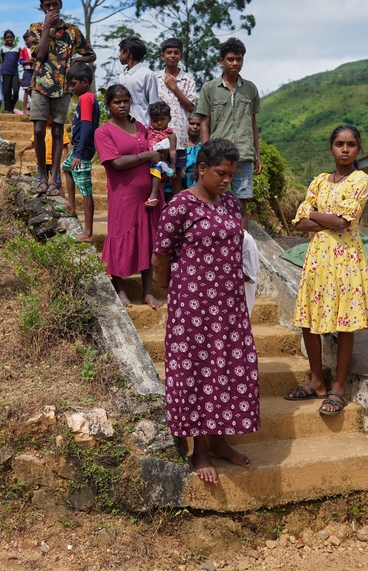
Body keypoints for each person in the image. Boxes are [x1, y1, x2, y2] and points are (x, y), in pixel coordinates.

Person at [152, 138, 259, 484]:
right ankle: (199, 449)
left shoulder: (229, 204)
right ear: (201, 169)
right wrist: (171, 292)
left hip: (228, 306)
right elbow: (161, 255)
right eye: (220, 173)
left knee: (226, 368)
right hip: (193, 307)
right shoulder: (181, 205)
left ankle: (219, 441)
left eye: (230, 174)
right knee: (199, 371)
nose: (226, 180)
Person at [283, 125, 368, 416]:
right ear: (331, 147)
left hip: (346, 259)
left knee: (344, 321)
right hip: (317, 259)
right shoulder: (320, 182)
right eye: (339, 143)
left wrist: (312, 213)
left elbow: (343, 223)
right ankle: (316, 382)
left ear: (358, 148)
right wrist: (323, 218)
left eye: (350, 144)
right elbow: (298, 223)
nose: (345, 149)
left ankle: (338, 387)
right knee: (308, 320)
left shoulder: (361, 180)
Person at [94, 84, 164, 309]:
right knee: (120, 237)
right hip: (123, 195)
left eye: (125, 101)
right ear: (109, 105)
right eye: (117, 102)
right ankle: (121, 290)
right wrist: (147, 155)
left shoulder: (140, 126)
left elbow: (154, 155)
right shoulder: (103, 132)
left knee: (148, 239)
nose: (122, 105)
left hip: (149, 194)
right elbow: (116, 162)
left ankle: (147, 292)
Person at [27, 0, 96, 196]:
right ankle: (42, 174)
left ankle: (55, 179)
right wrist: (47, 27)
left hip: (64, 86)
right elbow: (38, 55)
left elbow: (91, 54)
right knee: (39, 130)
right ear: (42, 8)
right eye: (47, 6)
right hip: (40, 84)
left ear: (61, 5)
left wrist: (78, 59)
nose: (51, 8)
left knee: (58, 131)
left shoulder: (73, 32)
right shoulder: (35, 29)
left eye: (54, 5)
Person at [196, 37, 262, 230]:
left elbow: (253, 122)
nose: (235, 63)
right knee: (215, 197)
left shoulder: (250, 89)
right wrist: (206, 153)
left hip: (244, 153)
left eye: (239, 59)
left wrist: (258, 155)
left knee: (242, 201)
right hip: (218, 155)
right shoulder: (209, 89)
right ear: (221, 61)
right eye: (231, 59)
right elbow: (204, 124)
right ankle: (216, 238)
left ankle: (241, 243)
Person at [60, 62, 99, 242]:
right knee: (66, 167)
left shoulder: (86, 98)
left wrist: (79, 153)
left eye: (73, 84)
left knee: (86, 189)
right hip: (79, 147)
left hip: (83, 151)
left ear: (84, 82)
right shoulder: (87, 98)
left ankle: (88, 233)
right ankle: (70, 205)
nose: (72, 88)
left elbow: (87, 127)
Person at [155, 37, 196, 193]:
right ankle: (159, 207)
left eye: (176, 53)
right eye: (169, 52)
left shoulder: (187, 78)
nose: (172, 55)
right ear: (162, 56)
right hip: (159, 134)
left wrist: (174, 88)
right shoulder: (156, 77)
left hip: (179, 134)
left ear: (181, 56)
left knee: (177, 172)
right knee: (157, 170)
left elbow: (190, 106)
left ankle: (176, 207)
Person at [117, 36, 159, 128]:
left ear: (127, 52)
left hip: (143, 126)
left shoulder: (147, 74)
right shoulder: (122, 77)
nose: (119, 55)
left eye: (120, 51)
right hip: (124, 126)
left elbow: (154, 104)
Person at [144, 101, 177, 207]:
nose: (159, 123)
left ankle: (160, 205)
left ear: (169, 119)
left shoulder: (170, 135)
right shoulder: (148, 131)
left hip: (161, 164)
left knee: (160, 188)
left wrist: (172, 164)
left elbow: (172, 150)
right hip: (146, 163)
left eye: (162, 119)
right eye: (155, 120)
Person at [0, 30, 22, 114]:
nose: (9, 39)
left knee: (16, 90)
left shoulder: (17, 49)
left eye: (11, 37)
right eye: (7, 37)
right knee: (6, 91)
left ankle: (11, 106)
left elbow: (20, 60)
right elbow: (2, 60)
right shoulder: (3, 49)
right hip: (5, 72)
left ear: (13, 38)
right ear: (5, 39)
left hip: (14, 72)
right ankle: (9, 109)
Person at [183, 114, 203, 187]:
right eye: (192, 124)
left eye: (198, 124)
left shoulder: (204, 146)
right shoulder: (181, 145)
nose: (195, 127)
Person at [19, 31, 35, 116]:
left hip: (35, 71)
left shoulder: (35, 49)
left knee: (34, 90)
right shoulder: (23, 50)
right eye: (25, 39)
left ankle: (34, 108)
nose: (27, 41)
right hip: (27, 71)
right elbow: (20, 61)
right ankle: (25, 109)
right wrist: (28, 61)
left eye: (28, 39)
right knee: (26, 89)